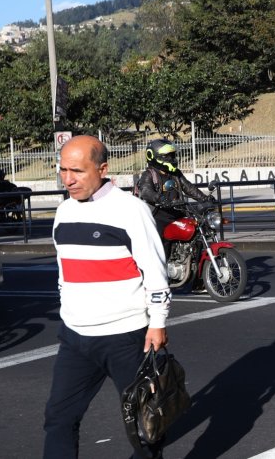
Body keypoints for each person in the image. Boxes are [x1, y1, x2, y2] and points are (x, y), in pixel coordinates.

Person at [43, 136, 170, 459]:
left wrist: (157, 324)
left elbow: (155, 272)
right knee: (58, 419)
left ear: (102, 169)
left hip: (125, 338)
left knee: (146, 427)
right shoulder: (63, 213)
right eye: (62, 170)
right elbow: (64, 274)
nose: (67, 179)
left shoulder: (131, 210)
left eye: (77, 171)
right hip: (75, 338)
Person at [135, 139, 212, 238]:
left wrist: (204, 198)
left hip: (177, 210)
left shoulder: (175, 173)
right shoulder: (149, 174)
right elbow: (146, 191)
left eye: (172, 155)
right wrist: (160, 199)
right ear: (153, 156)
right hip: (158, 213)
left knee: (197, 228)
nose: (171, 159)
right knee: (161, 240)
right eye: (167, 156)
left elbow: (188, 187)